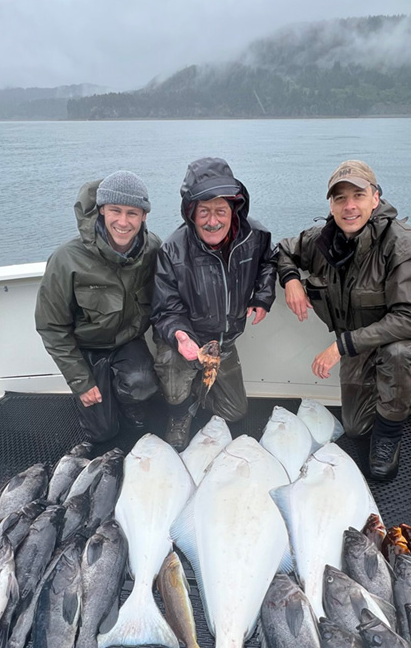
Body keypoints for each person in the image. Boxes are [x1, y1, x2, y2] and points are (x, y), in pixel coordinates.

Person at [277, 159, 411, 481]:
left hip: (400, 337)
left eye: (358, 196)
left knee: (398, 354)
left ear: (375, 198)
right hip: (358, 344)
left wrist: (340, 346)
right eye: (340, 198)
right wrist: (291, 279)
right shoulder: (322, 240)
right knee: (355, 427)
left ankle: (389, 438)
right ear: (331, 205)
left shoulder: (403, 244)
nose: (349, 206)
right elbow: (282, 249)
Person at [151, 156, 278, 450]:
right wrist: (180, 335)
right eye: (203, 212)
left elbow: (269, 262)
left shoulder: (255, 236)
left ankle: (196, 392)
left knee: (235, 412)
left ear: (234, 209)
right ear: (190, 213)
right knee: (172, 364)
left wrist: (263, 295)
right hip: (186, 341)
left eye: (221, 210)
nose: (213, 221)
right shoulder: (172, 249)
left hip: (225, 343)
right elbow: (165, 308)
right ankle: (179, 413)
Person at [35, 170, 161, 443]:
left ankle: (126, 399)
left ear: (144, 216)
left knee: (142, 386)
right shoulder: (66, 259)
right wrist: (81, 381)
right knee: (103, 433)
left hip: (128, 342)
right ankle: (100, 400)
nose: (123, 222)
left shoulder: (153, 249)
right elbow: (52, 327)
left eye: (133, 213)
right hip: (87, 349)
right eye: (115, 210)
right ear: (102, 210)